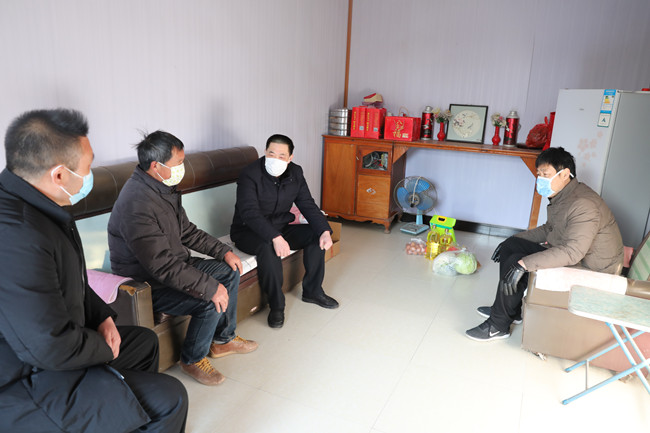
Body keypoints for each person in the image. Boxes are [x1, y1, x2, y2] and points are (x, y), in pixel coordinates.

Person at [0, 109, 188, 433]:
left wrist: (102, 317)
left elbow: (72, 278)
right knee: (170, 398)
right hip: (27, 378)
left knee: (143, 342)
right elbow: (47, 346)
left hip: (53, 350)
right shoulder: (17, 235)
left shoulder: (39, 206)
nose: (90, 175)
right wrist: (102, 347)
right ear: (60, 175)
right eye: (87, 166)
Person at [108, 130, 257, 386]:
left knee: (228, 270)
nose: (182, 168)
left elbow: (186, 231)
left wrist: (223, 251)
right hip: (147, 283)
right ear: (156, 166)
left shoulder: (162, 188)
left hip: (175, 264)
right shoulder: (137, 203)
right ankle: (192, 359)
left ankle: (223, 340)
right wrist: (209, 287)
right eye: (178, 162)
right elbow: (160, 265)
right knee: (208, 298)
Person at [465, 147, 624, 341]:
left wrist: (524, 264)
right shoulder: (564, 196)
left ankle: (498, 325)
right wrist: (513, 239)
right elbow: (549, 228)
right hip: (573, 253)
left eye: (545, 174)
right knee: (511, 246)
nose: (540, 179)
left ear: (564, 174)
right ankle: (510, 311)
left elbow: (573, 252)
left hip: (591, 268)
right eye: (538, 174)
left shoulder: (584, 204)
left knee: (517, 261)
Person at [230, 134, 338, 329]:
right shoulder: (250, 173)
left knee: (315, 235)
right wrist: (274, 236)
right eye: (271, 154)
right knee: (267, 246)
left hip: (280, 226)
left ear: (290, 158)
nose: (275, 159)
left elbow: (307, 204)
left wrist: (324, 230)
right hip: (248, 231)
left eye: (281, 156)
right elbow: (249, 212)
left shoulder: (295, 173)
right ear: (265, 152)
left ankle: (313, 291)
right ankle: (277, 306)